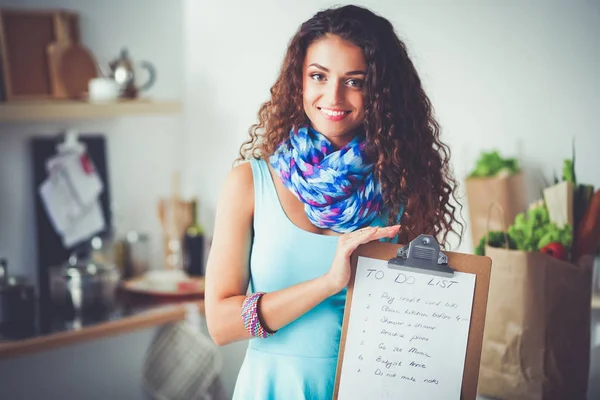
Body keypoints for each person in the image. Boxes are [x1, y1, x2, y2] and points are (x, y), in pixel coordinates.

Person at [204, 4, 463, 399]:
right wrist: (328, 283)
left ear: (379, 90)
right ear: (299, 83)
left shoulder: (403, 189)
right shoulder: (250, 183)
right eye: (318, 76)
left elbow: (412, 325)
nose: (333, 96)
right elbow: (221, 325)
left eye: (354, 81)